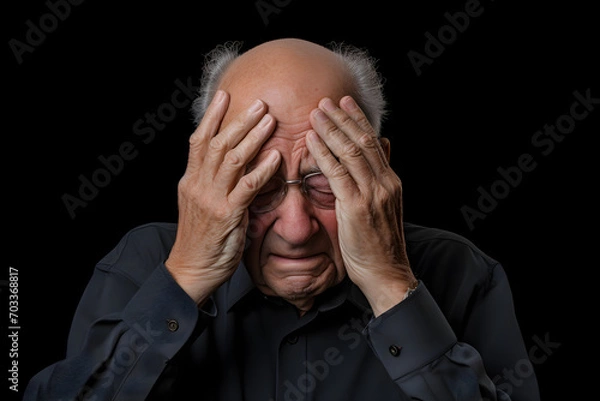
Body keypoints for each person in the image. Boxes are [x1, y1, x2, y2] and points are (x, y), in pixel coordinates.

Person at [24, 38, 540, 401]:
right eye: (260, 185)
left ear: (377, 167)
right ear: (208, 175)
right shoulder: (142, 264)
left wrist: (390, 285)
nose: (297, 230)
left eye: (326, 181)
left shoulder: (463, 274)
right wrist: (183, 281)